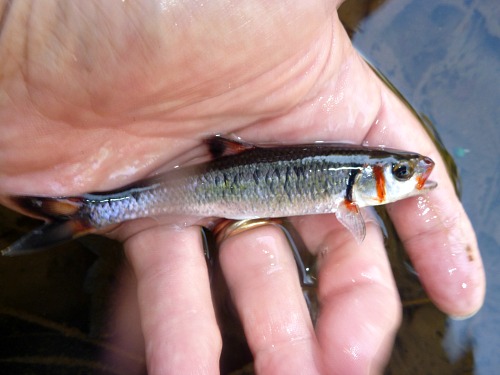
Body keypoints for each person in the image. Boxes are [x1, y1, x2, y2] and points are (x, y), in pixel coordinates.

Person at [0, 1, 485, 374]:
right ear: (367, 180)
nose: (411, 178)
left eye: (402, 173)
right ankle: (89, 212)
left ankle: (88, 212)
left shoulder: (351, 190)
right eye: (401, 173)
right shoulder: (349, 197)